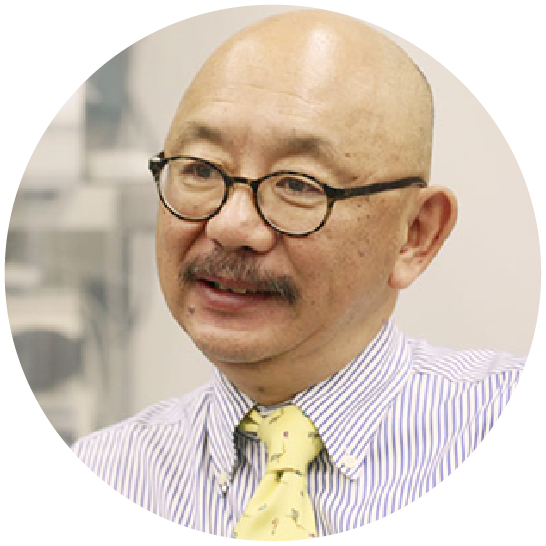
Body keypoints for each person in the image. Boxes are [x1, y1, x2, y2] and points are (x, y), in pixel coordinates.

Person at [71, 9, 525, 539]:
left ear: (415, 234)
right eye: (199, 169)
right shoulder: (102, 476)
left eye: (298, 184)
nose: (230, 226)